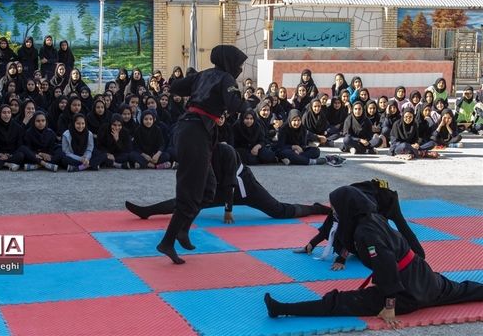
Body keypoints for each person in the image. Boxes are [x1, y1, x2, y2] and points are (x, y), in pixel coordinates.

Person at [264, 185, 483, 328]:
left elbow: (385, 263)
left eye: (336, 208)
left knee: (339, 303)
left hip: (405, 292)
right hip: (424, 278)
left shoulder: (365, 232)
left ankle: (283, 309)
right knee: (463, 290)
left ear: (348, 209)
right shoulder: (371, 218)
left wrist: (389, 306)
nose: (334, 212)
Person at [156, 44, 248, 265]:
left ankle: (183, 230)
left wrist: (194, 81)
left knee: (208, 188)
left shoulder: (204, 75)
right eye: (240, 65)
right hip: (194, 133)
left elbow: (176, 86)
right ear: (230, 62)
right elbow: (236, 105)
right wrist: (240, 96)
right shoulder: (226, 78)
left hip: (191, 131)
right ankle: (167, 241)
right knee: (190, 191)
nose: (241, 69)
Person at [126, 143, 330, 222]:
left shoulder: (226, 150)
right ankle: (147, 212)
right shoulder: (200, 152)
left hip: (244, 187)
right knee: (185, 201)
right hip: (220, 189)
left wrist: (228, 210)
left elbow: (231, 181)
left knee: (278, 211)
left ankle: (317, 208)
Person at [295, 179, 425, 264]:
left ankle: (419, 254)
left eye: (333, 206)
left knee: (399, 227)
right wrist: (311, 244)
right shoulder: (343, 202)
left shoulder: (364, 215)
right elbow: (329, 226)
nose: (332, 209)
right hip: (365, 197)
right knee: (351, 236)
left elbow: (351, 229)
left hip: (385, 200)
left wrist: (342, 258)